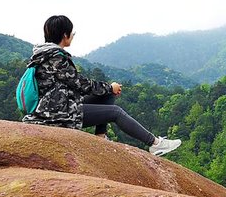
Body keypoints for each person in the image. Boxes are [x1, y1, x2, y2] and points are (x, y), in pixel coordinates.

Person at [22, 15, 181, 157]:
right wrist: (110, 87)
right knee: (115, 112)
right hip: (56, 114)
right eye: (72, 33)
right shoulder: (55, 58)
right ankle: (155, 144)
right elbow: (80, 84)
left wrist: (108, 89)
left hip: (57, 106)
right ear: (65, 35)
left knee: (107, 94)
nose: (73, 36)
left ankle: (101, 137)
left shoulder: (43, 55)